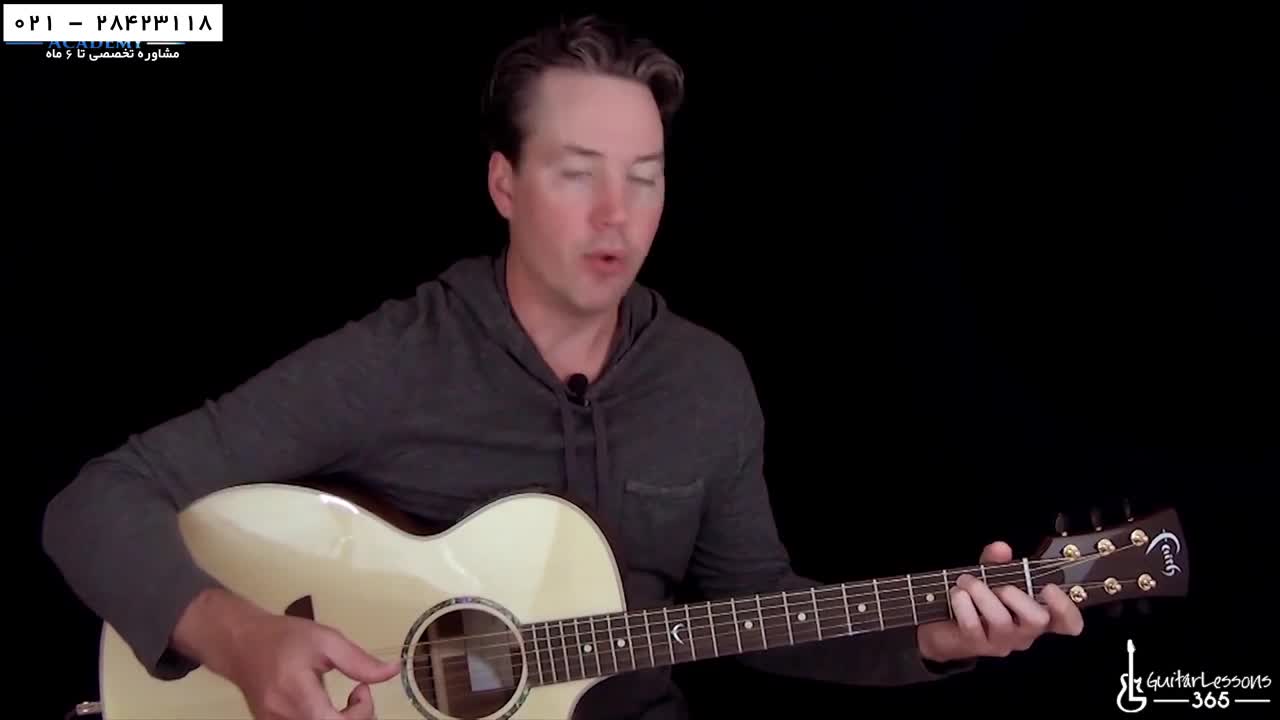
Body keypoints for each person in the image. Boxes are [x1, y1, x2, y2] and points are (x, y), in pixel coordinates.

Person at [42, 14, 1084, 720]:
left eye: (645, 178)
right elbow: (95, 504)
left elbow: (761, 612)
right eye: (577, 175)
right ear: (504, 184)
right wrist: (239, 640)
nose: (616, 216)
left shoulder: (707, 383)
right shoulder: (397, 359)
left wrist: (935, 639)